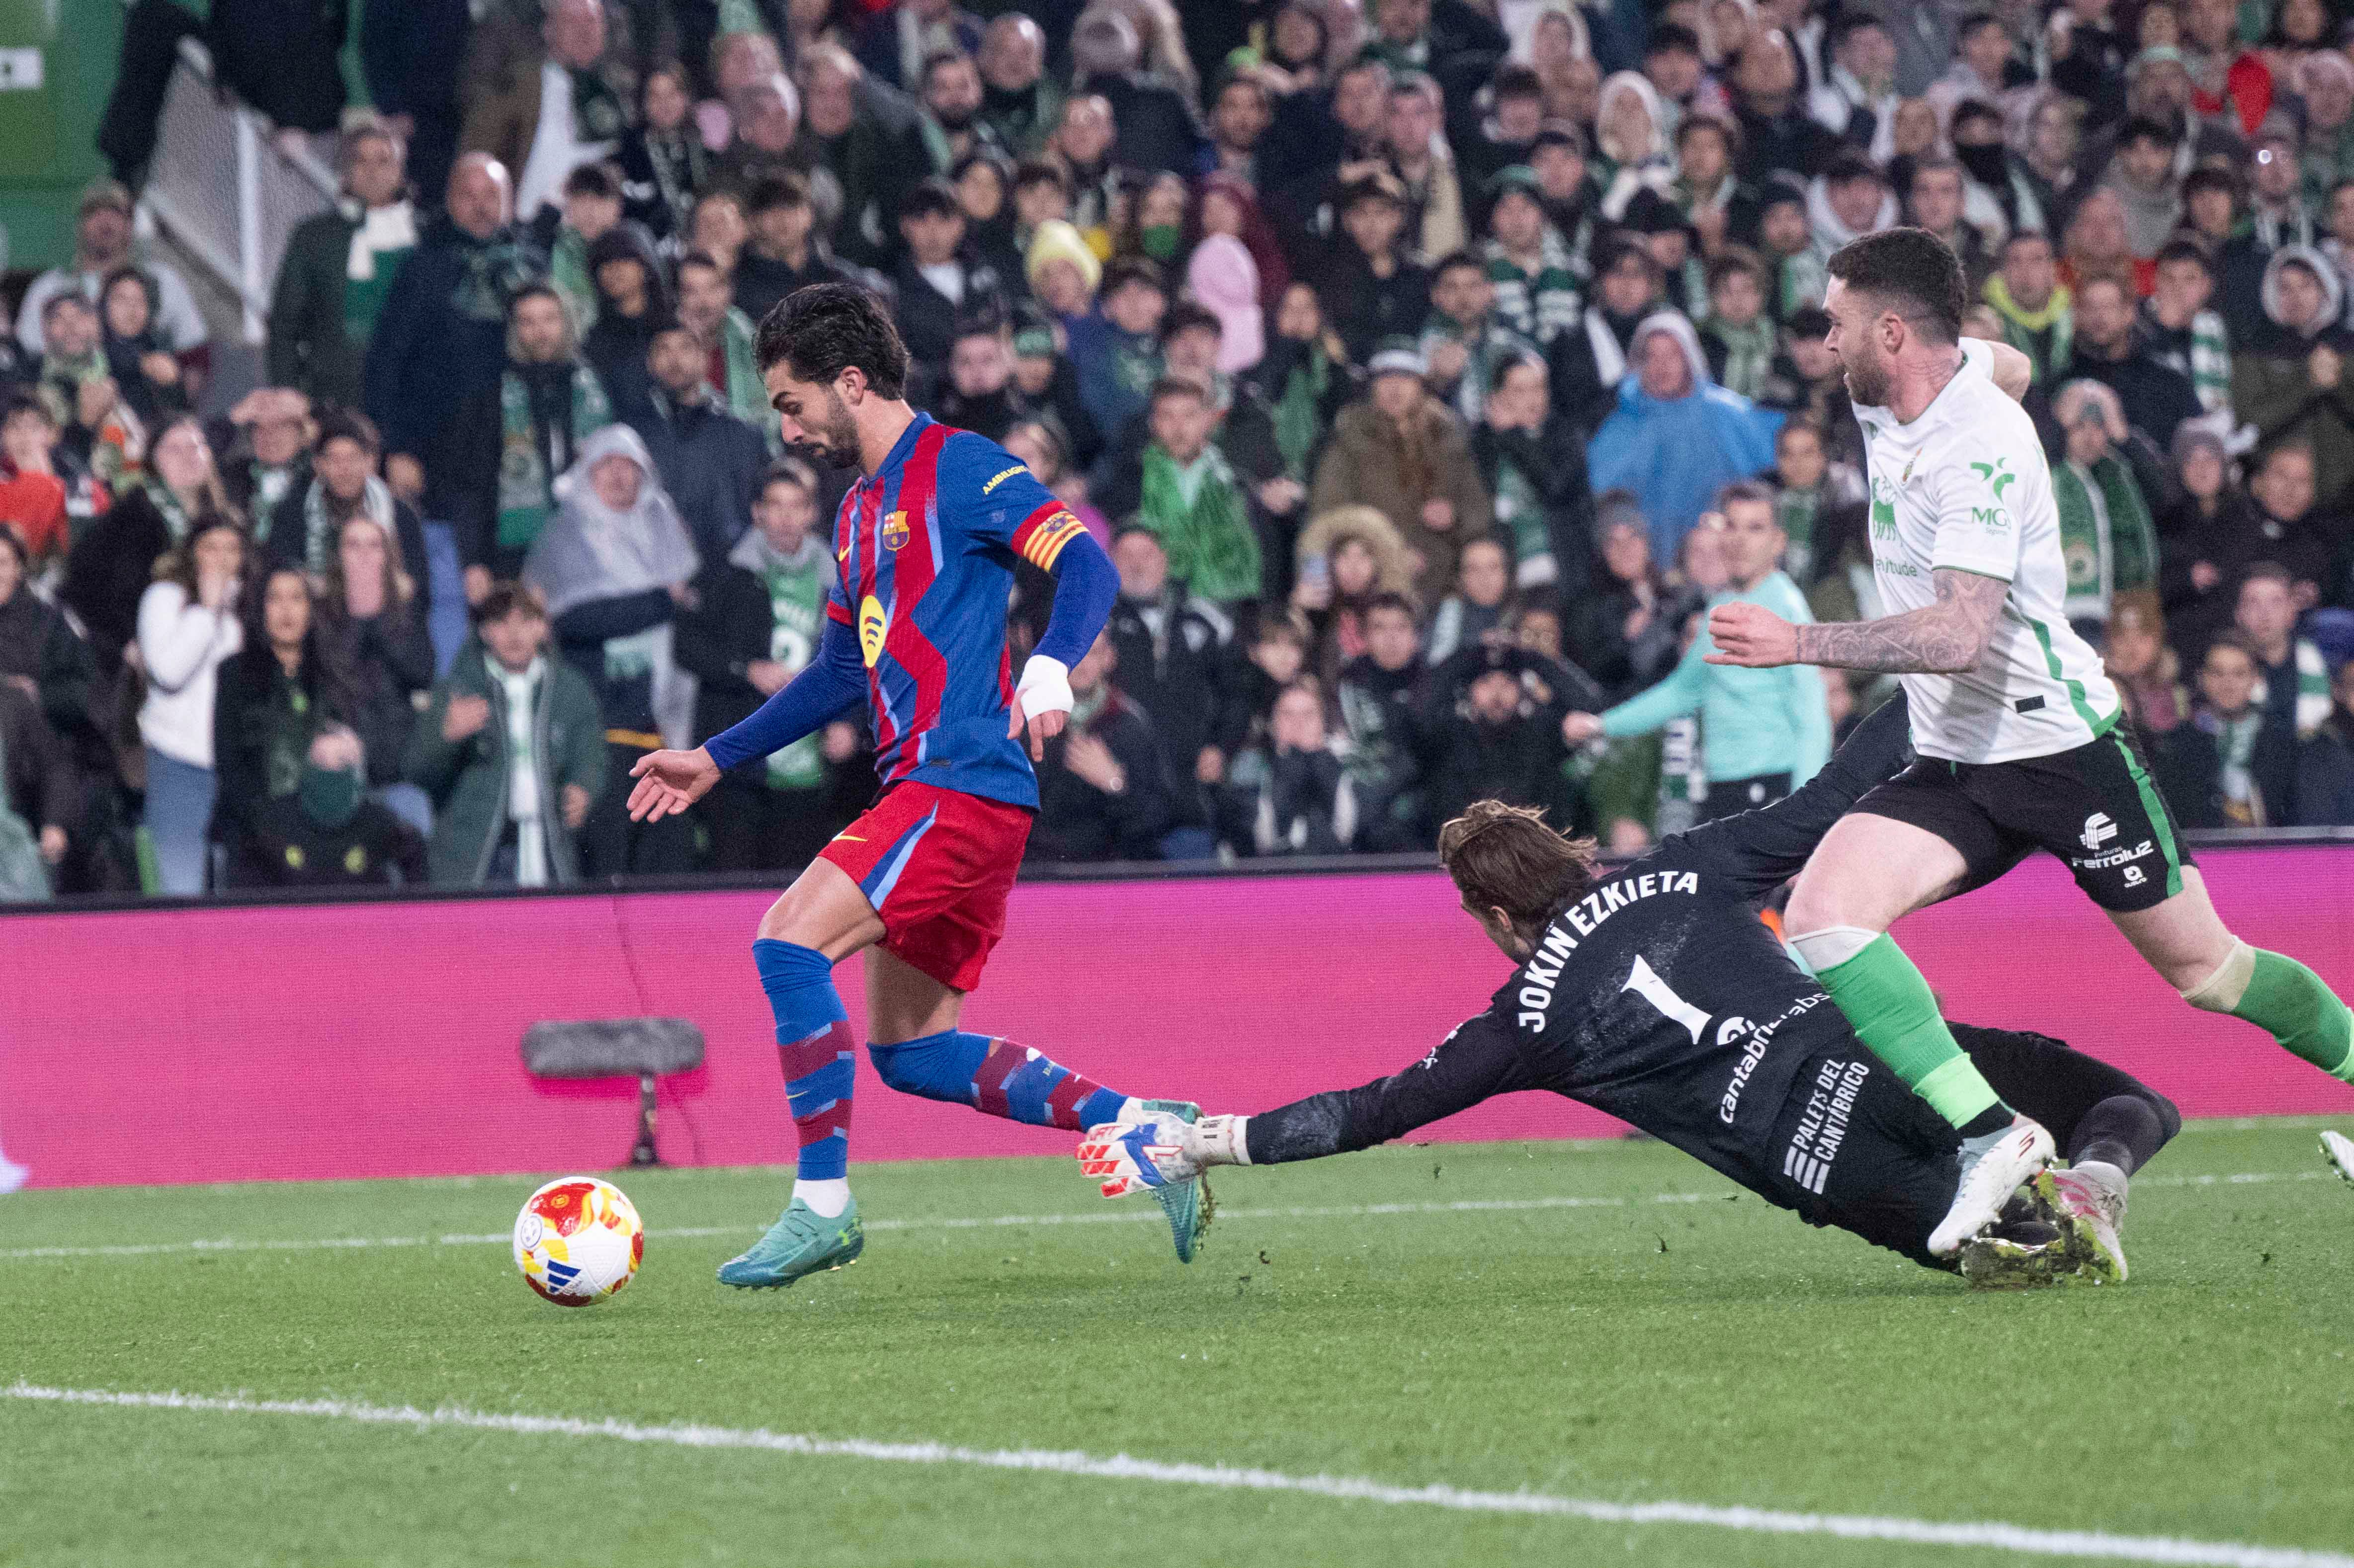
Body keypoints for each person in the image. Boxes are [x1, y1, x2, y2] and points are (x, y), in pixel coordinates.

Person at [1706, 228, 2354, 1261]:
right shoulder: (1895, 389)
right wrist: (1990, 362)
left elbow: (1958, 635)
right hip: (1956, 758)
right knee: (1824, 918)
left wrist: (1798, 642)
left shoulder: (1980, 447)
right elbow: (2000, 360)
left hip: (2058, 748)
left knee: (2209, 972)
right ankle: (1994, 1131)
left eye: (1834, 323)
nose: (1823, 344)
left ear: (1888, 330)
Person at [1080, 696, 2178, 1287]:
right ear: (1567, 854)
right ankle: (2090, 1177)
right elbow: (1842, 786)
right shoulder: (1687, 866)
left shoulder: (1527, 1018)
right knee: (2129, 1103)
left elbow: (1371, 1110)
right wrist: (1945, 681)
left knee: (2031, 1267)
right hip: (1888, 1065)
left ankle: (2037, 1216)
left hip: (1824, 1171)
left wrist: (1203, 1140)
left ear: (1497, 920)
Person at [620, 283, 1199, 1289]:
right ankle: (1147, 1126)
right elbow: (840, 675)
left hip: (958, 781)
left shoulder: (963, 466)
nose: (786, 424)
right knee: (911, 1052)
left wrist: (1054, 662)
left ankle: (822, 1206)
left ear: (852, 382)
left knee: (785, 942)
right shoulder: (854, 516)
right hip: (942, 793)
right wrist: (714, 755)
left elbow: (1088, 565)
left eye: (793, 401)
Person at [1567, 480, 1831, 818]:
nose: (1739, 540)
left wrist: (1805, 813)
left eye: (1755, 528)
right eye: (1732, 525)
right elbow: (1682, 691)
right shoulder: (1719, 605)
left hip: (1770, 789)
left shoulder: (1787, 606)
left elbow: (1812, 716)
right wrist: (1601, 725)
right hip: (1722, 790)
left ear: (1778, 541)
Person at [525, 424, 701, 878]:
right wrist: (659, 601)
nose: (621, 477)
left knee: (663, 858)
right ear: (588, 473)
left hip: (665, 719)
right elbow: (571, 620)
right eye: (608, 466)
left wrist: (661, 604)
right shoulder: (564, 534)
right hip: (599, 715)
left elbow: (694, 606)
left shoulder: (662, 522)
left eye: (631, 467)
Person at [364, 153, 549, 563]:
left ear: (510, 201)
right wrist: (395, 448)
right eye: (468, 195)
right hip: (442, 454)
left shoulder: (536, 267)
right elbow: (387, 363)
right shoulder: (423, 267)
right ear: (449, 202)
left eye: (491, 195)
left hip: (523, 452)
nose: (481, 205)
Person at [674, 459, 857, 873]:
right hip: (740, 765)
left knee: (796, 894)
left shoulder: (842, 579)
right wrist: (747, 669)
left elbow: (864, 657)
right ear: (757, 512)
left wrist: (848, 720)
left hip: (810, 768)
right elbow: (686, 646)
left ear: (813, 512)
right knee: (735, 890)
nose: (786, 517)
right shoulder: (726, 573)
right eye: (775, 504)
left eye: (797, 505)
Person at [405, 581, 604, 886]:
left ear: (542, 627)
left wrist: (583, 787)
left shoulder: (570, 690)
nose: (514, 634)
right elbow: (418, 772)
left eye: (526, 620)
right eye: (500, 622)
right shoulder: (459, 688)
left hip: (548, 844)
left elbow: (590, 751)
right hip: (478, 853)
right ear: (484, 632)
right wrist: (445, 736)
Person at [446, 284, 614, 588]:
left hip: (593, 544)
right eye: (528, 321)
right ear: (514, 329)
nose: (541, 331)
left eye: (550, 319)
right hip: (513, 553)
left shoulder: (597, 389)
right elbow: (471, 484)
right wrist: (473, 560)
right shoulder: (490, 396)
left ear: (567, 322)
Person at [1587, 312, 1784, 563]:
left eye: (1673, 355)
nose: (1662, 367)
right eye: (1652, 357)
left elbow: (1777, 459)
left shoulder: (1726, 413)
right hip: (1653, 574)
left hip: (1726, 563)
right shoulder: (1622, 426)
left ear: (1690, 358)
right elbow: (1608, 504)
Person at [1308, 341, 1493, 605]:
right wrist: (1391, 554)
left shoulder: (1448, 438)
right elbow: (1326, 520)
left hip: (1444, 585)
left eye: (1406, 378)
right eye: (1385, 379)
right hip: (1371, 586)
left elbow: (1479, 513)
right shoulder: (1350, 441)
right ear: (1372, 388)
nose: (1395, 388)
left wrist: (1454, 516)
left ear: (1421, 386)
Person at [60, 415, 232, 690]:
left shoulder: (224, 517)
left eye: (197, 446)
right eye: (175, 449)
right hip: (147, 657)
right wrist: (124, 641)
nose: (189, 456)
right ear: (154, 461)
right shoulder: (134, 515)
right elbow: (89, 583)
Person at [268, 123, 418, 411]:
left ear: (401, 173)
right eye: (360, 162)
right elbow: (285, 326)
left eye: (384, 161)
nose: (372, 171)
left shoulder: (427, 239)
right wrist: (289, 396)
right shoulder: (314, 237)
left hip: (411, 397)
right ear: (345, 172)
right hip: (334, 399)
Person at [136, 517, 245, 895]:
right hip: (178, 763)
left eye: (232, 549)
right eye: (210, 547)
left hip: (238, 769)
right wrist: (207, 610)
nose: (221, 558)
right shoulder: (164, 598)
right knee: (179, 895)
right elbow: (168, 671)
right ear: (192, 552)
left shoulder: (250, 608)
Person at [316, 511, 437, 836]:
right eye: (353, 545)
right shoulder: (321, 614)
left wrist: (378, 618)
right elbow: (331, 675)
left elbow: (422, 671)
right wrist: (358, 616)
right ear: (338, 556)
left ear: (388, 555)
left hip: (398, 771)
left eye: (374, 545)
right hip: (341, 771)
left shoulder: (406, 612)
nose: (365, 555)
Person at [211, 565, 337, 874]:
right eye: (275, 599)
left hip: (323, 822)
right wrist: (269, 821)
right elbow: (229, 762)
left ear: (311, 610)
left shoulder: (332, 676)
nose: (286, 610)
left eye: (296, 599)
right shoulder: (234, 673)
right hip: (255, 827)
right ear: (261, 609)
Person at [463, 0, 628, 224]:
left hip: (606, 237)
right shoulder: (515, 87)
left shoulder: (624, 90)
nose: (584, 30)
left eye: (591, 20)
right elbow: (476, 157)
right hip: (530, 232)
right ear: (548, 30)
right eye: (572, 21)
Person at [15, 180, 205, 362]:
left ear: (130, 225)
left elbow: (194, 351)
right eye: (94, 212)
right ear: (80, 225)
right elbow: (28, 354)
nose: (105, 221)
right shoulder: (51, 286)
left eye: (116, 212)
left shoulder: (162, 280)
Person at [1027, 628, 1175, 862]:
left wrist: (1114, 783)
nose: (1083, 665)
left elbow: (1159, 815)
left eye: (1093, 654)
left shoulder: (1131, 724)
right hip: (1043, 872)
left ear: (1109, 659)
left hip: (1113, 873)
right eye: (1075, 654)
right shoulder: (1028, 723)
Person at [223, 723, 428, 888]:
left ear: (360, 772)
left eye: (344, 762)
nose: (331, 771)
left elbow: (417, 890)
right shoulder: (272, 823)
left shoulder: (383, 828)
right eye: (321, 762)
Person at [631, 324, 770, 563]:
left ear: (704, 359)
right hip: (656, 573)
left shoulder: (742, 436)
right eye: (664, 350)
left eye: (686, 348)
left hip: (732, 573)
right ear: (650, 363)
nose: (674, 360)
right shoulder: (632, 439)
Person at [2050, 380, 2160, 634]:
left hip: (2120, 611)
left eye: (2099, 426)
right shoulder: (2048, 472)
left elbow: (2164, 494)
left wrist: (2123, 434)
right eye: (2079, 426)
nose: (2089, 437)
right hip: (2060, 613)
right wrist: (2056, 426)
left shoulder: (2118, 473)